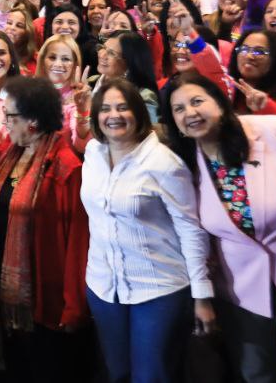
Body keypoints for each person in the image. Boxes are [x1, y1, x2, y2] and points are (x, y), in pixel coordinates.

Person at [164, 71, 276, 382]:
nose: (190, 112)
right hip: (240, 288)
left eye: (197, 101)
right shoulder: (183, 164)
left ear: (219, 102)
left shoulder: (274, 130)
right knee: (256, 374)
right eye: (178, 109)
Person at [82, 76, 214, 382]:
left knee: (152, 376)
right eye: (105, 108)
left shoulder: (163, 163)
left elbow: (191, 230)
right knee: (118, 373)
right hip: (103, 286)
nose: (113, 115)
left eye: (123, 107)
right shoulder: (93, 154)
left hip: (158, 288)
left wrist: (202, 295)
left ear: (139, 113)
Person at [0, 76, 88, 382]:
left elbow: (77, 242)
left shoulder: (65, 166)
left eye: (11, 116)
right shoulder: (11, 153)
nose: (4, 122)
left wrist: (73, 306)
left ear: (32, 122)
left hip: (42, 301)